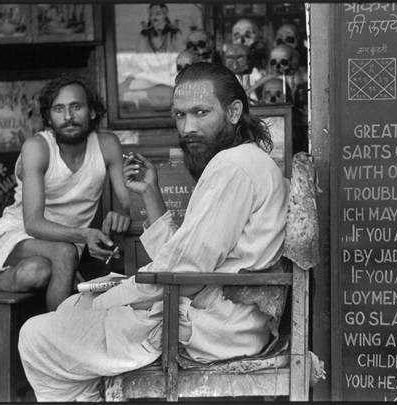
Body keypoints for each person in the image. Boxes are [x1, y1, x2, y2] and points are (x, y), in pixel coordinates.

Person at [18, 62, 290, 402]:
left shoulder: (231, 168)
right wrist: (150, 193)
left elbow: (184, 272)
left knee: (36, 336)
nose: (188, 127)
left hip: (207, 328)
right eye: (179, 116)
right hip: (220, 320)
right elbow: (186, 256)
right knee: (72, 309)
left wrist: (106, 299)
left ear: (234, 111)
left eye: (200, 112)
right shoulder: (246, 161)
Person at [0, 74, 132, 311]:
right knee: (63, 253)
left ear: (92, 111)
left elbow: (127, 200)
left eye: (76, 107)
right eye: (59, 109)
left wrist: (123, 211)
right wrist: (84, 235)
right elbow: (32, 223)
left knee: (37, 272)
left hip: (67, 243)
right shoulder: (38, 147)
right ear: (49, 117)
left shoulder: (107, 145)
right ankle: (56, 338)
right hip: (19, 234)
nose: (68, 116)